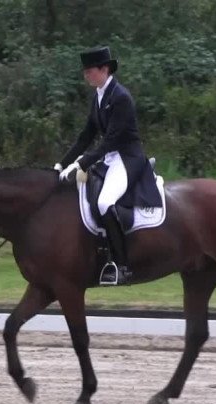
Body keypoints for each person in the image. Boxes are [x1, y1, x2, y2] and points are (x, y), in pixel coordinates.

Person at [55, 46, 159, 285]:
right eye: (85, 72)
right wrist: (62, 164)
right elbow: (86, 136)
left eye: (90, 71)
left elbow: (111, 140)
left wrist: (81, 164)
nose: (86, 76)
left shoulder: (120, 97)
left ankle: (122, 266)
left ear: (104, 69)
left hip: (127, 159)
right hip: (110, 158)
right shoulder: (99, 95)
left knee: (104, 202)